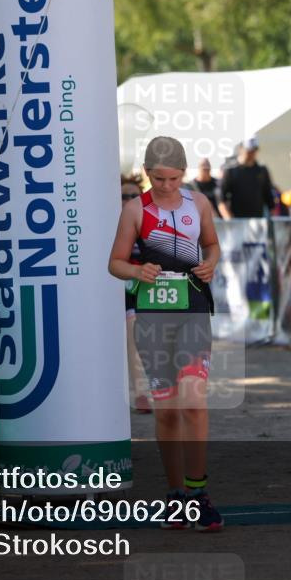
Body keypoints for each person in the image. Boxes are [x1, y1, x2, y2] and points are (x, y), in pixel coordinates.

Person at [108, 136, 224, 532]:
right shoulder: (134, 210)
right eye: (159, 179)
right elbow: (115, 263)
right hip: (154, 319)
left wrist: (210, 263)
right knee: (168, 411)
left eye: (174, 179)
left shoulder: (200, 203)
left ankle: (199, 494)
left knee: (194, 402)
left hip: (193, 313)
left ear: (184, 173)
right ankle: (176, 496)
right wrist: (137, 271)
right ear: (146, 173)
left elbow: (211, 245)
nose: (167, 187)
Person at [121, 176, 152, 414]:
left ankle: (146, 391)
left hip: (145, 286)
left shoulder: (151, 222)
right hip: (114, 287)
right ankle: (140, 392)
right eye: (124, 196)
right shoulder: (106, 222)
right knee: (131, 331)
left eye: (135, 196)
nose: (130, 200)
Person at [219, 137, 274, 219]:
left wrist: (272, 216)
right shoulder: (230, 171)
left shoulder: (262, 171)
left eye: (254, 150)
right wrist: (229, 219)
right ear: (241, 149)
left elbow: (268, 196)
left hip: (258, 221)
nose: (251, 153)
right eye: (249, 150)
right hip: (238, 221)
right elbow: (221, 198)